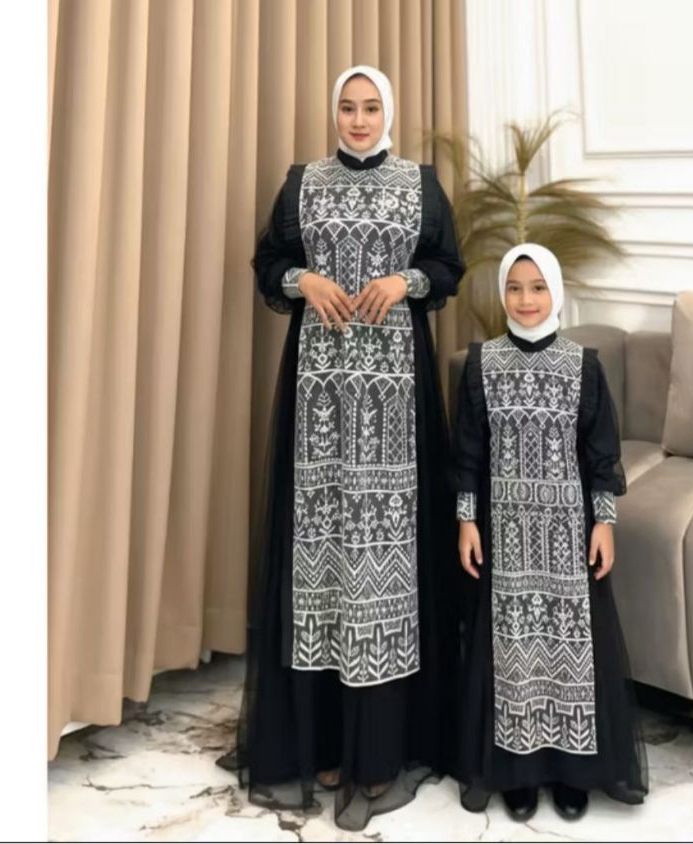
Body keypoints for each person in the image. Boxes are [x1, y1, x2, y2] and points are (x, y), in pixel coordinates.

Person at [219, 65, 464, 832]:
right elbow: (267, 264)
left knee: (385, 566)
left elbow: (448, 267)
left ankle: (381, 753)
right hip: (320, 400)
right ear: (336, 113)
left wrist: (404, 284)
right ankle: (324, 742)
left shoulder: (421, 185)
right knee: (322, 562)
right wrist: (303, 281)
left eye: (371, 107)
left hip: (395, 401)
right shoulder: (304, 184)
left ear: (389, 111)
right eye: (348, 108)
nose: (359, 119)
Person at [452, 243, 648, 822]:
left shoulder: (582, 366)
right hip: (505, 537)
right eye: (514, 287)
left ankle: (571, 772)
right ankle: (518, 772)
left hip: (567, 539)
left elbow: (602, 453)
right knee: (512, 653)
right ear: (502, 295)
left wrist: (604, 523)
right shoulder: (482, 365)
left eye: (538, 287)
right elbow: (468, 453)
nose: (526, 299)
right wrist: (466, 520)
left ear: (555, 292)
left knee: (570, 653)